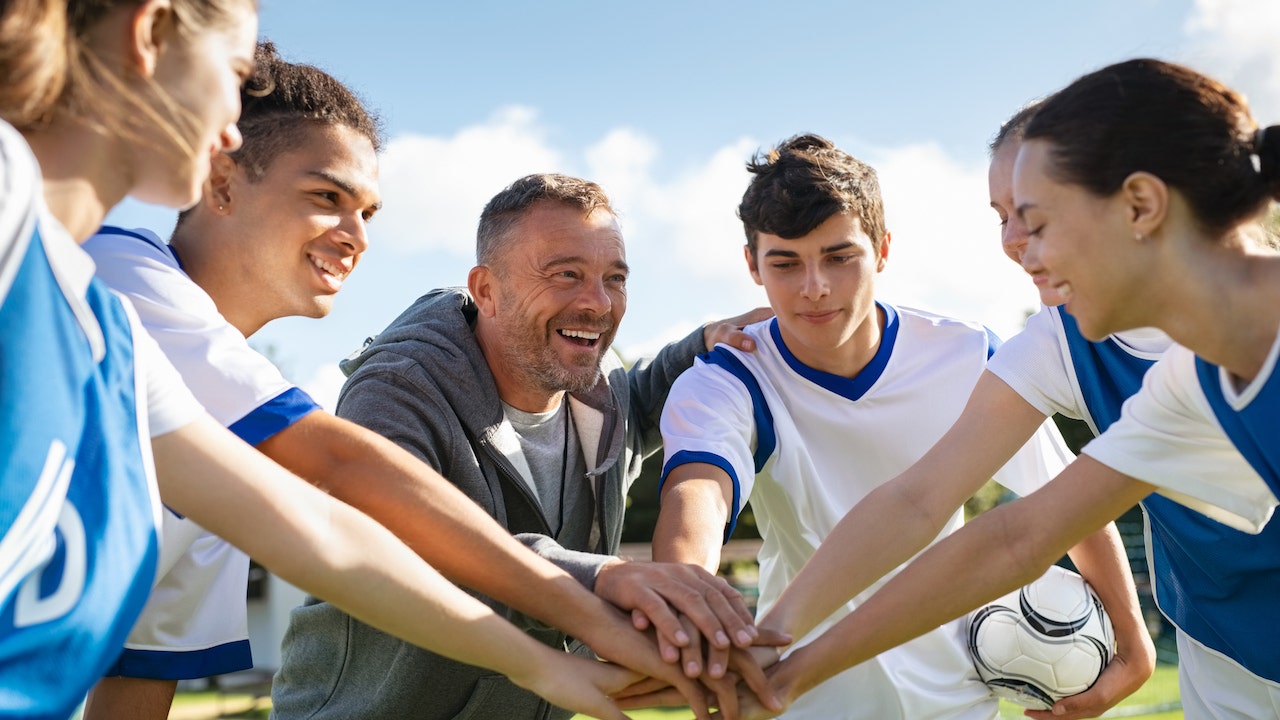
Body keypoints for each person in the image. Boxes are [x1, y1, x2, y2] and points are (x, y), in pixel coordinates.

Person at [0, 3, 654, 719]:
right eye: (326, 197)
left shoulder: (145, 369)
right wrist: (585, 607)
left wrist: (544, 663)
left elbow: (314, 541)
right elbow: (337, 471)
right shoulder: (109, 272)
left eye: (368, 213)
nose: (357, 238)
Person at [729, 58, 1280, 720]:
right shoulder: (1185, 388)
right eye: (1004, 217)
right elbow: (1009, 534)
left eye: (1037, 220)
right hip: (1234, 662)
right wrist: (780, 663)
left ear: (1140, 205)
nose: (1016, 246)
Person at [641, 133, 1145, 720]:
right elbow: (697, 495)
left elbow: (1067, 504)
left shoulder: (966, 354)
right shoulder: (727, 378)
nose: (814, 287)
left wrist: (1132, 646)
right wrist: (687, 601)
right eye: (785, 263)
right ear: (752, 264)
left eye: (839, 257)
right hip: (802, 699)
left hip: (958, 699)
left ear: (881, 249)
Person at [268, 171, 779, 720]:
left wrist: (706, 343)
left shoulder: (603, 393)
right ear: (486, 290)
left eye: (615, 277)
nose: (598, 302)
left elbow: (650, 394)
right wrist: (605, 576)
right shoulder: (395, 389)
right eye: (566, 274)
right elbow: (414, 545)